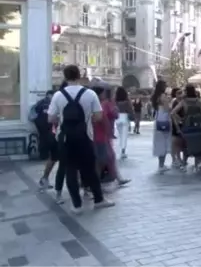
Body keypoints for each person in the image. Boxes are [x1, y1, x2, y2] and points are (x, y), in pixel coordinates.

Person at [47, 65, 114, 214]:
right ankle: (98, 200)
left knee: (70, 170)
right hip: (85, 137)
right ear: (79, 76)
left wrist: (63, 119)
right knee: (90, 169)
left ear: (65, 77)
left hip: (64, 139)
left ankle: (77, 205)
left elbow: (50, 117)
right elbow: (98, 116)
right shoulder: (90, 94)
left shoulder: (58, 95)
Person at [172, 84, 201, 171]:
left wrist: (180, 119)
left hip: (187, 125)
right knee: (198, 144)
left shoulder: (183, 102)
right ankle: (196, 165)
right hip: (198, 126)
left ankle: (184, 163)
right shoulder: (199, 102)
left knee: (186, 144)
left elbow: (173, 112)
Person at [35, 90, 59, 189]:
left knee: (53, 158)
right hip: (53, 133)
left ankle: (45, 178)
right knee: (54, 158)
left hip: (47, 132)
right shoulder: (50, 104)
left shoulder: (41, 103)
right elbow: (52, 119)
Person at [151, 80, 172, 173]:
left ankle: (161, 164)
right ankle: (161, 165)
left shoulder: (155, 97)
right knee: (164, 142)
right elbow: (168, 109)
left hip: (158, 119)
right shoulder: (163, 96)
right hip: (164, 119)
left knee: (159, 141)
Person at [115, 87, 134, 159]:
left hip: (117, 117)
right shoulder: (127, 100)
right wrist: (132, 116)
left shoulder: (115, 100)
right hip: (125, 117)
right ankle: (123, 151)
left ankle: (121, 148)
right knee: (124, 135)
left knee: (120, 134)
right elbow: (130, 109)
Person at [169, 87, 185, 169]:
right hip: (175, 124)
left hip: (181, 124)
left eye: (181, 93)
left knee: (179, 142)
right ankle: (174, 159)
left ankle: (179, 158)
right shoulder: (174, 101)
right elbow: (172, 113)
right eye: (179, 93)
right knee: (174, 142)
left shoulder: (182, 102)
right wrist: (178, 120)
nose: (180, 95)